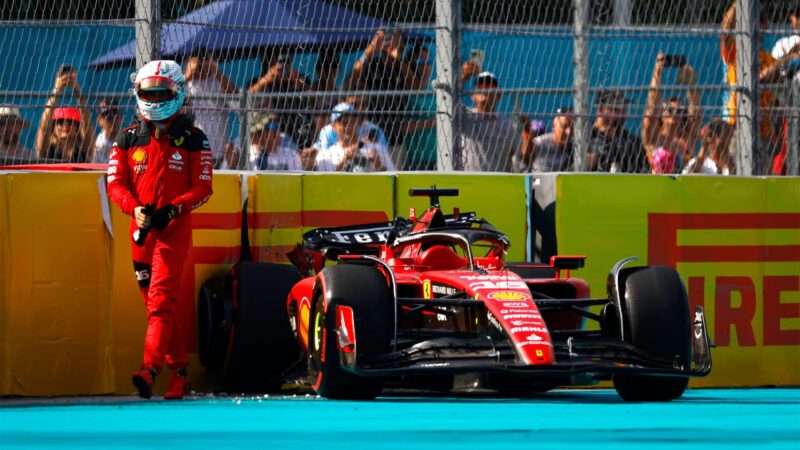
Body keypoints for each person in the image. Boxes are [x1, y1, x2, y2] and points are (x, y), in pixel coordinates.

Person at [107, 60, 213, 400]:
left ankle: (149, 370)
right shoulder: (125, 138)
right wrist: (134, 209)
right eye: (147, 93)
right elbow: (115, 184)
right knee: (156, 306)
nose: (153, 99)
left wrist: (174, 209)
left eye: (160, 92)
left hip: (173, 231)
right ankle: (179, 374)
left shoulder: (195, 139)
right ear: (138, 94)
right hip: (140, 232)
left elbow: (203, 188)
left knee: (160, 302)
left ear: (177, 92)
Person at [721, 2, 800, 173]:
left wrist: (778, 132)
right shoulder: (736, 52)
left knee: (761, 184)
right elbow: (759, 79)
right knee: (739, 180)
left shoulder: (767, 58)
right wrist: (738, 5)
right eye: (762, 20)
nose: (766, 26)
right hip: (739, 127)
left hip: (764, 133)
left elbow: (776, 88)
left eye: (766, 21)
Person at [343, 30, 419, 167]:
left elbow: (416, 87)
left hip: (395, 136)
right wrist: (371, 49)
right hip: (371, 134)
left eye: (395, 40)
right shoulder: (373, 64)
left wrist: (399, 60)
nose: (391, 43)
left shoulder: (404, 65)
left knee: (394, 176)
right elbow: (350, 80)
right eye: (388, 39)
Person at [641, 53, 702, 174]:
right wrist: (657, 71)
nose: (674, 113)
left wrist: (690, 82)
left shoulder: (687, 136)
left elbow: (696, 112)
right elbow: (653, 108)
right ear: (662, 114)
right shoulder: (654, 136)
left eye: (679, 111)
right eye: (669, 110)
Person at [457, 71, 522, 172]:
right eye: (481, 87)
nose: (485, 91)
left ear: (499, 95)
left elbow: (521, 158)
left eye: (490, 87)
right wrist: (464, 75)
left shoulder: (508, 125)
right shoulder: (464, 117)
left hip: (498, 184)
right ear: (472, 95)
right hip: (468, 183)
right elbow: (448, 99)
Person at [248, 51, 315, 149]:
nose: (279, 65)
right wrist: (266, 79)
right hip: (272, 134)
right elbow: (245, 98)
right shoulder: (259, 81)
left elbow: (315, 97)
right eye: (275, 59)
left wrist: (296, 80)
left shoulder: (299, 78)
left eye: (283, 61)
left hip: (299, 130)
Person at [184, 49, 237, 169]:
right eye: (197, 62)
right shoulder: (186, 82)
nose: (201, 65)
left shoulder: (218, 80)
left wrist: (216, 72)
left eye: (205, 60)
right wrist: (188, 75)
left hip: (221, 149)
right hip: (198, 149)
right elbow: (174, 97)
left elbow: (235, 93)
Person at [35, 65, 93, 162]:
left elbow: (86, 123)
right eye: (60, 121)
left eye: (71, 121)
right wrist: (56, 90)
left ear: (78, 127)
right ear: (53, 127)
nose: (66, 125)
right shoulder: (46, 151)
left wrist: (77, 88)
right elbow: (44, 126)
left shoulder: (84, 151)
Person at [315, 102, 395, 172]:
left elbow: (394, 176)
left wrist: (378, 164)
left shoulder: (376, 149)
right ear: (334, 126)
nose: (349, 127)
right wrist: (343, 161)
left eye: (352, 122)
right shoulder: (326, 156)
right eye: (344, 123)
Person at [587, 89, 648, 173]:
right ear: (601, 110)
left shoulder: (631, 141)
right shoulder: (587, 138)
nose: (622, 114)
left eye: (623, 109)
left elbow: (644, 170)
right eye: (616, 109)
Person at [521, 108, 574, 173]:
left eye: (572, 127)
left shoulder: (575, 146)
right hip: (539, 181)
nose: (568, 132)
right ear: (553, 125)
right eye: (564, 126)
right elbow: (524, 157)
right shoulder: (541, 143)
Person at [92, 99, 123, 164]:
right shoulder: (97, 146)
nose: (112, 120)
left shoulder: (127, 141)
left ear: (121, 118)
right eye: (107, 117)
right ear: (99, 121)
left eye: (114, 115)